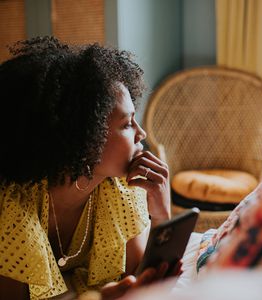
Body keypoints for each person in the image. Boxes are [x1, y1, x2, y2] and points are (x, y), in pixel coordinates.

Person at [0, 36, 176, 299]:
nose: (141, 133)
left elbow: (140, 278)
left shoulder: (123, 191)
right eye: (127, 123)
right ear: (85, 135)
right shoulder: (11, 204)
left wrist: (162, 214)